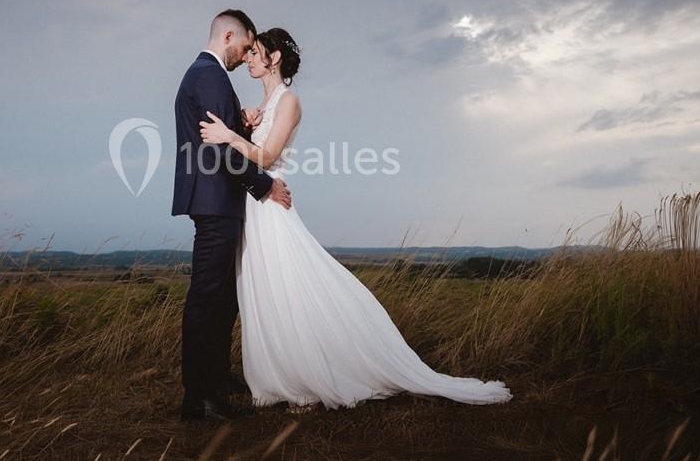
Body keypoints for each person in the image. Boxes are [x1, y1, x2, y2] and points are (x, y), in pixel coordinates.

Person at [199, 28, 512, 412]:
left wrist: (230, 135)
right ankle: (279, 373)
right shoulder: (262, 106)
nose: (247, 58)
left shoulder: (290, 101)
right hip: (255, 206)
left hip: (271, 207)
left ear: (274, 58)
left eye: (255, 52)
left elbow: (265, 158)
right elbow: (254, 152)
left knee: (289, 285)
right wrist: (245, 126)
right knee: (264, 287)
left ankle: (312, 370)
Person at [172, 9, 293, 422]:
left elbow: (223, 137)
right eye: (244, 47)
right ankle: (200, 399)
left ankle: (217, 379)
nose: (245, 57)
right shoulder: (209, 75)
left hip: (218, 200)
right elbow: (219, 149)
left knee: (222, 299)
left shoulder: (207, 75)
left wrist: (241, 123)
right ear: (228, 35)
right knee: (208, 298)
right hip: (214, 201)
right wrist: (265, 186)